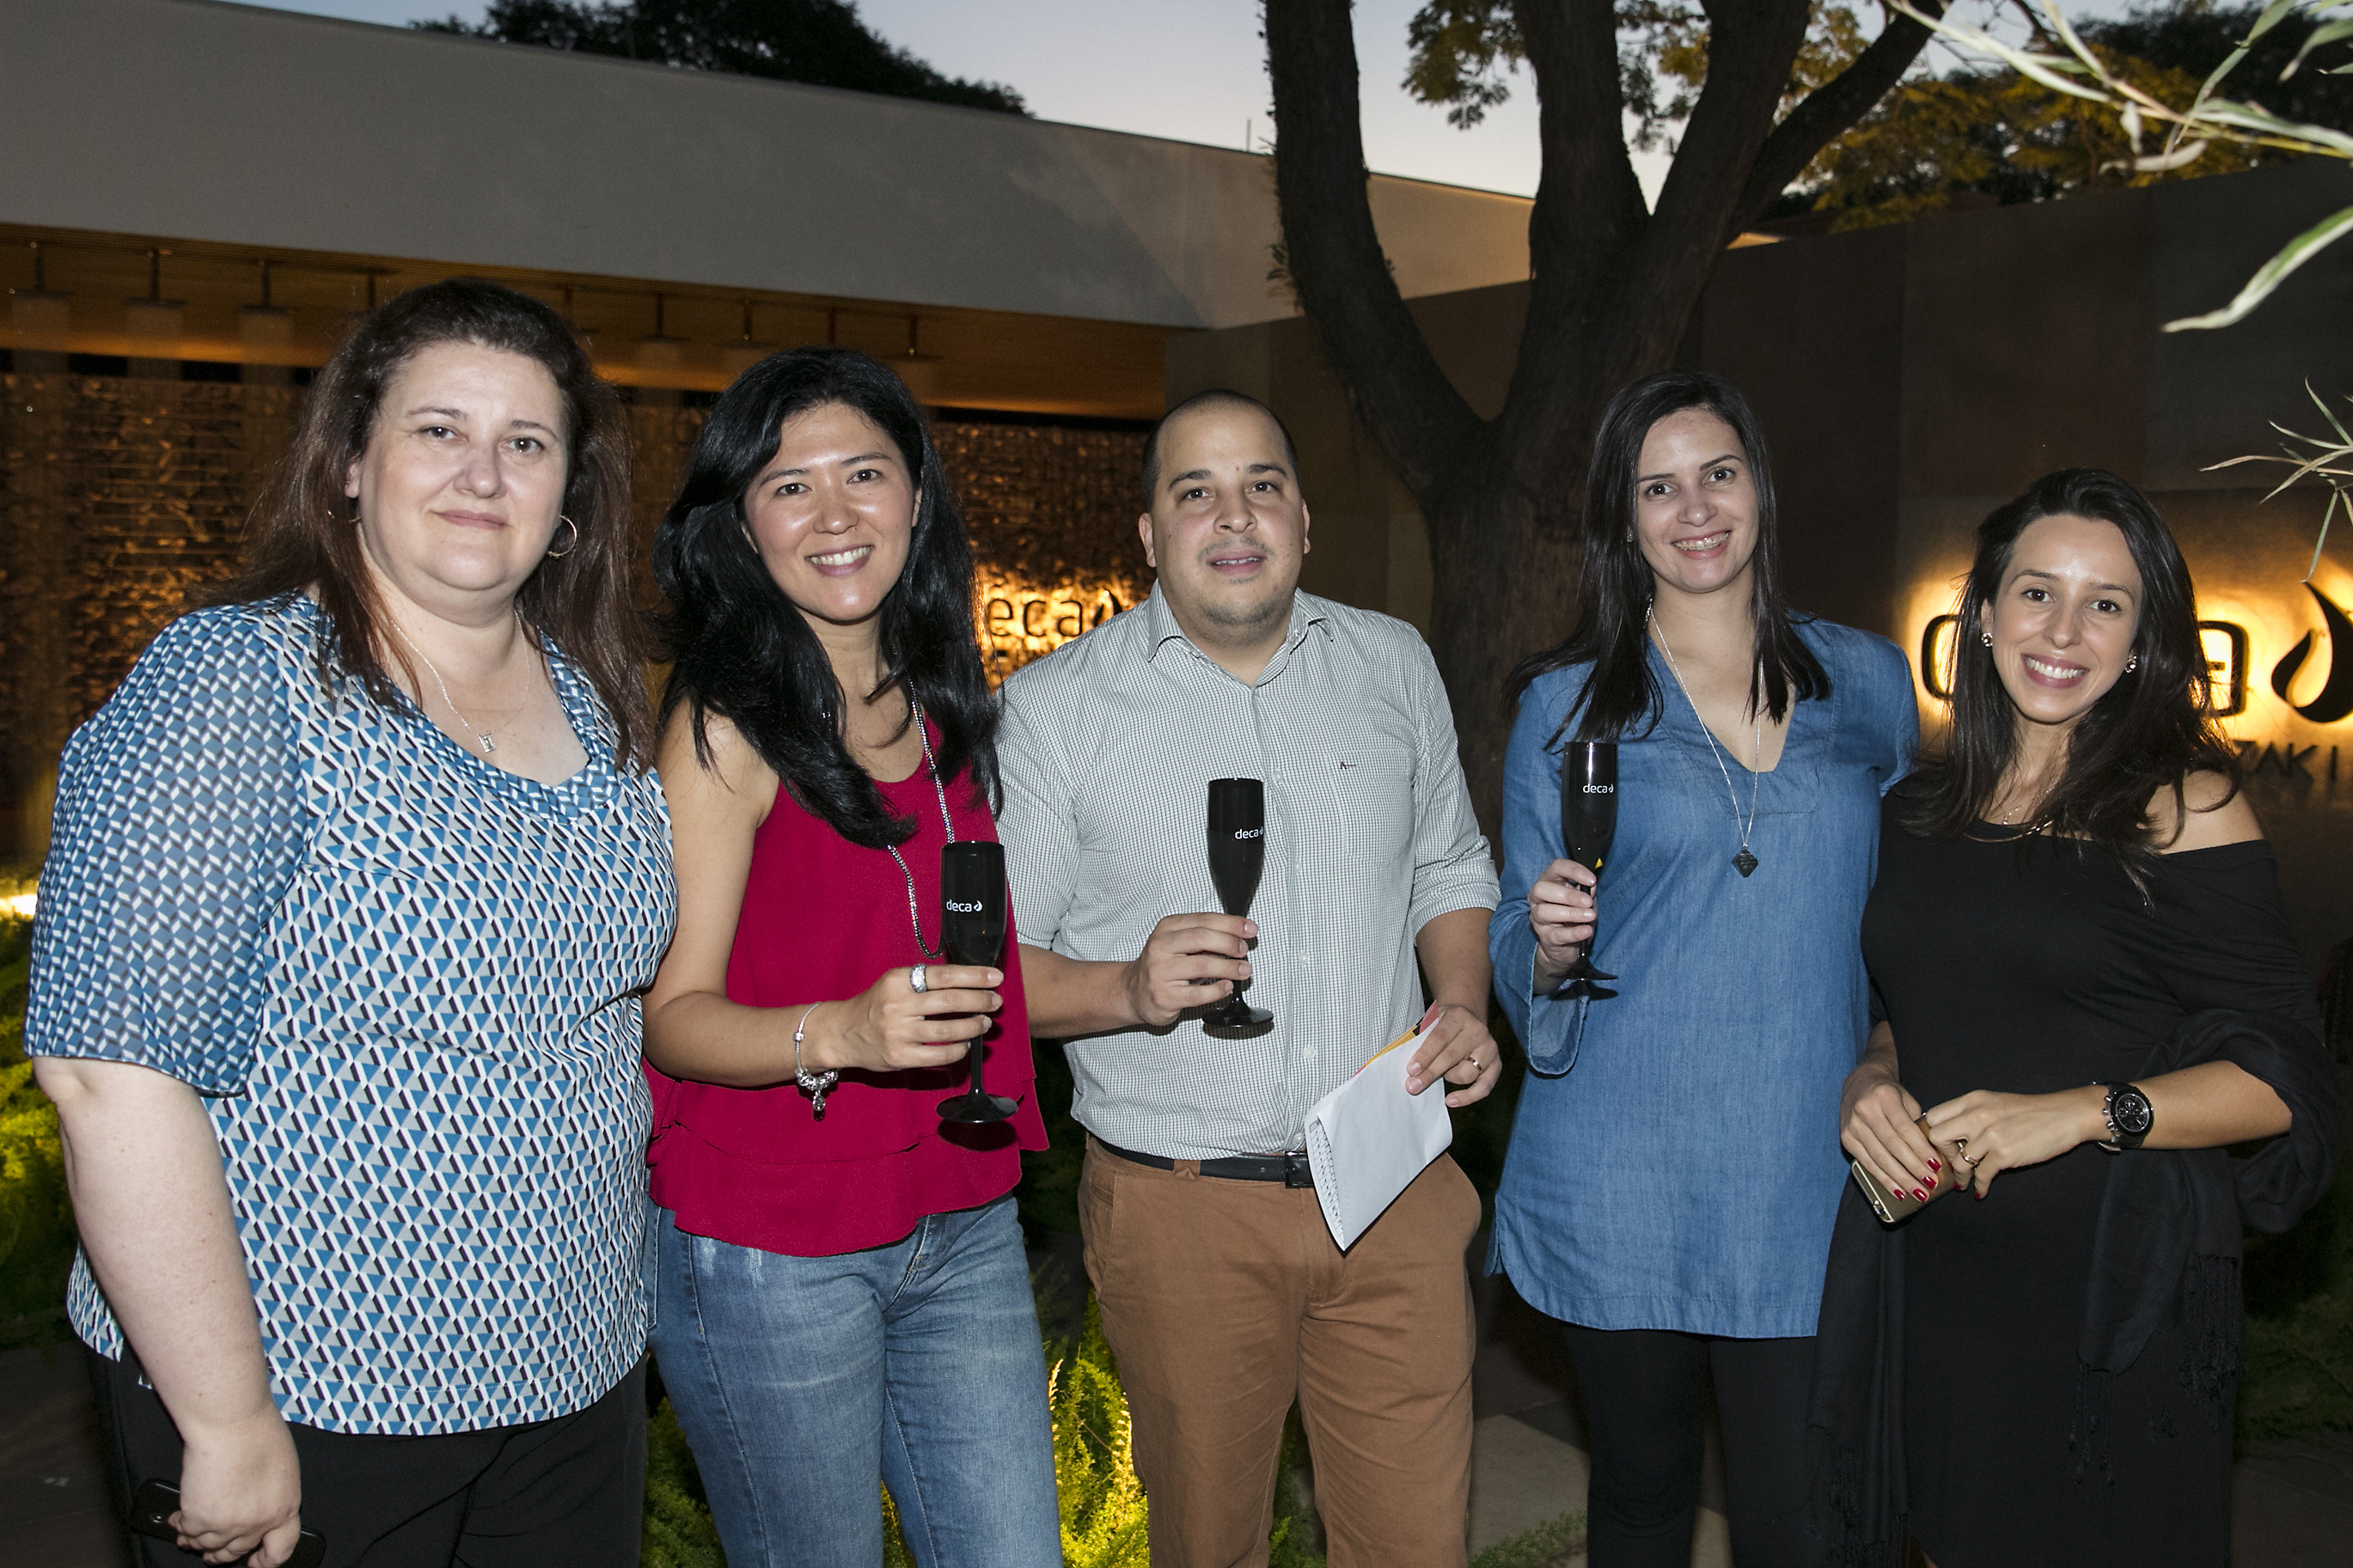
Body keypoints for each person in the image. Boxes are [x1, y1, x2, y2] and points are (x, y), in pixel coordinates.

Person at [26, 279, 671, 1567]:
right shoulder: (236, 683)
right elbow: (110, 1074)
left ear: (567, 501)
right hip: (313, 1388)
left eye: (526, 443)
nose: (483, 472)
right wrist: (226, 1417)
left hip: (575, 1372)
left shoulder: (599, 699)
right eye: (439, 429)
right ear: (347, 467)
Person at [999, 387, 1501, 1568]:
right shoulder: (1055, 710)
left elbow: (1447, 859)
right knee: (1209, 1547)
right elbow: (992, 971)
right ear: (1147, 535)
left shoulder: (1389, 662)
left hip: (1392, 1185)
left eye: (1261, 484)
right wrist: (1127, 986)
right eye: (1195, 491)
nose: (1234, 516)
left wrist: (1465, 999)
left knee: (1413, 1547)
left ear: (1305, 517)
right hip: (1184, 1212)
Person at [1818, 467, 2340, 1568]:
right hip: (1940, 1278)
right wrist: (1872, 1075)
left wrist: (2083, 1112)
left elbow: (2282, 1075)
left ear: (2143, 635)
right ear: (1983, 611)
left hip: (2112, 1295)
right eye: (2035, 591)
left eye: (2104, 602)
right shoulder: (1919, 806)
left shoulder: (2179, 805)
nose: (2063, 630)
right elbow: (1913, 1000)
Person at [1488, 370, 1917, 1568]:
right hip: (1618, 1168)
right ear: (1621, 521)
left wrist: (1893, 1053)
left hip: (1802, 1169)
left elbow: (1915, 917)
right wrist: (1548, 942)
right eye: (1656, 485)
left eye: (1716, 473)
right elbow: (1512, 948)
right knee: (1638, 1492)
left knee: (1798, 1517)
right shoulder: (1562, 705)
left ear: (1759, 491)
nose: (1693, 508)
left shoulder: (1869, 686)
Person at [640, 347, 1060, 1568]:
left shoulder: (947, 709)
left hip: (961, 1211)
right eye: (787, 486)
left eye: (863, 475)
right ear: (742, 526)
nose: (833, 516)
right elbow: (670, 1011)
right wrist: (843, 1033)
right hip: (773, 1242)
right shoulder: (725, 721)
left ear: (916, 499)